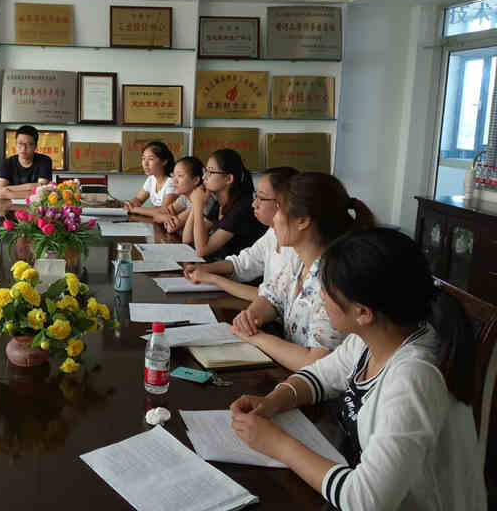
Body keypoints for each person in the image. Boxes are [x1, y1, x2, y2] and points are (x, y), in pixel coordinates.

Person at [230, 228, 487, 511]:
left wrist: (277, 444)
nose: (320, 296)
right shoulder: (375, 338)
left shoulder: (414, 377)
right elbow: (320, 376)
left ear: (363, 313)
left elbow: (365, 500)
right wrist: (273, 401)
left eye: (327, 290)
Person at [231, 172, 376, 370]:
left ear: (302, 221)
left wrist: (255, 337)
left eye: (279, 209)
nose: (274, 218)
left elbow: (316, 361)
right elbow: (273, 298)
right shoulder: (297, 260)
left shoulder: (333, 281)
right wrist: (251, 315)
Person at [183, 166, 299, 301]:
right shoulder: (272, 233)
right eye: (255, 196)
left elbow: (273, 299)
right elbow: (242, 263)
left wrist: (214, 279)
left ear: (285, 203)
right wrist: (204, 268)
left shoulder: (297, 248)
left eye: (261, 198)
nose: (254, 204)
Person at [182, 148, 265, 261]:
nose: (204, 177)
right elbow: (187, 240)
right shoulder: (220, 204)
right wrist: (196, 204)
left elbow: (201, 250)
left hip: (241, 270)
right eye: (205, 171)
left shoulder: (242, 207)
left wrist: (198, 205)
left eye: (210, 172)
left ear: (228, 178)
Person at [152, 156, 209, 233]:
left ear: (195, 180)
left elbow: (171, 228)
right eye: (173, 175)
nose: (174, 181)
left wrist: (167, 218)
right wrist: (165, 217)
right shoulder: (184, 197)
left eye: (180, 176)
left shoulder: (202, 199)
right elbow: (156, 215)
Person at [0, 125, 52, 199]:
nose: (23, 148)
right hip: (11, 205)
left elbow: (43, 192)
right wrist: (31, 187)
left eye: (29, 144)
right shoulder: (7, 163)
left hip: (37, 205)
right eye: (20, 143)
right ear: (16, 144)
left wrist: (8, 190)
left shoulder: (44, 161)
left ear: (35, 146)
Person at [124, 141, 177, 217]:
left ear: (164, 161)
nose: (145, 164)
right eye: (143, 158)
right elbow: (139, 199)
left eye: (150, 159)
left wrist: (134, 209)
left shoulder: (172, 181)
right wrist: (130, 204)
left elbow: (163, 211)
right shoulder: (151, 179)